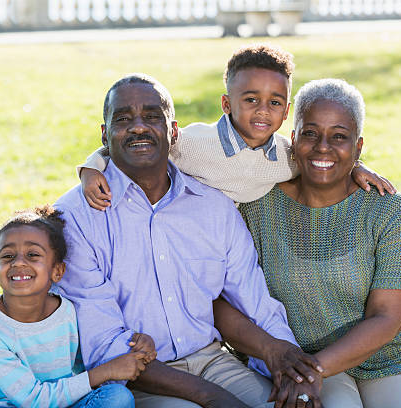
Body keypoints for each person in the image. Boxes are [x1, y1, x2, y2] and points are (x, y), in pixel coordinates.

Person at [54, 73, 324, 408]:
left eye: (152, 117)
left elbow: (254, 300)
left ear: (174, 131)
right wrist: (211, 398)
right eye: (123, 119)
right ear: (105, 135)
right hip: (135, 380)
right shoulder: (75, 217)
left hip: (213, 361)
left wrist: (287, 362)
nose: (139, 127)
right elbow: (104, 344)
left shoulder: (213, 207)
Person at [236, 78, 401, 408]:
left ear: (358, 147)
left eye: (339, 137)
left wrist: (313, 371)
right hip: (297, 359)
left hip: (389, 361)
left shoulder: (391, 211)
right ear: (293, 138)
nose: (323, 146)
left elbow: (386, 317)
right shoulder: (256, 204)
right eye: (310, 133)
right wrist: (303, 369)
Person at [78, 44, 394, 210]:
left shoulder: (286, 156)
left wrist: (355, 167)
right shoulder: (193, 142)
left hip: (233, 245)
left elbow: (322, 158)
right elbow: (142, 143)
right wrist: (91, 169)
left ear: (285, 113)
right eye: (251, 100)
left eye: (274, 103)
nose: (262, 111)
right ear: (227, 104)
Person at [0, 205, 156, 408]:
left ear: (57, 271)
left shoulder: (68, 312)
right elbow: (32, 400)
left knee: (117, 397)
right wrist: (106, 372)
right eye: (8, 256)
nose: (18, 263)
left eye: (33, 255)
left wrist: (135, 343)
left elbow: (97, 353)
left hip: (63, 403)